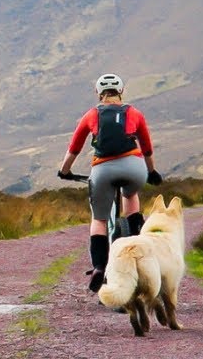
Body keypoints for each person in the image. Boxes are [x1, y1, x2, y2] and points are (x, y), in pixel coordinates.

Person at [57, 73, 163, 292]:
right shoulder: (134, 113)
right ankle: (135, 242)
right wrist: (152, 171)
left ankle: (99, 266)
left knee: (99, 219)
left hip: (103, 170)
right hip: (134, 168)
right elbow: (147, 148)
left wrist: (64, 171)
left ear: (98, 93)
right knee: (130, 195)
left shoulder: (91, 115)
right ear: (121, 91)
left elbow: (74, 148)